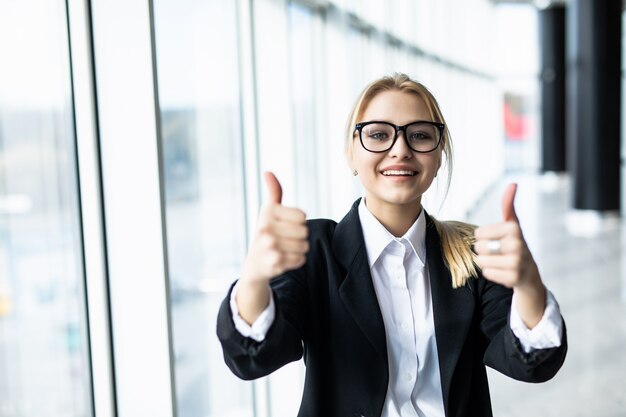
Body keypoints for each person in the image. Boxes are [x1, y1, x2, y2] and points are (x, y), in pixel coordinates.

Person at [216, 73, 567, 417]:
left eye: (419, 135)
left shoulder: (471, 254)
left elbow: (532, 364)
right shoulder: (314, 249)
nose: (400, 150)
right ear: (351, 154)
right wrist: (254, 278)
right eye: (379, 135)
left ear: (439, 154)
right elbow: (253, 359)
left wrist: (529, 284)